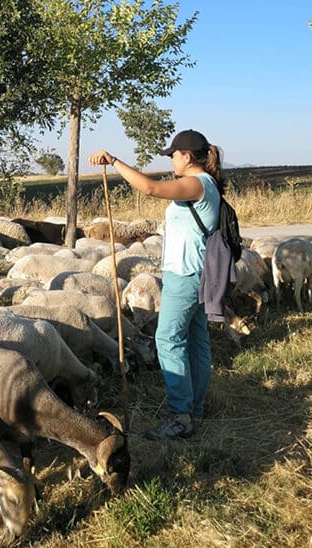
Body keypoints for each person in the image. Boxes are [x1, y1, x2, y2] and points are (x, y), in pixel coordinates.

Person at [89, 129, 223, 440]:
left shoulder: (197, 183)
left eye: (173, 155)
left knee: (167, 340)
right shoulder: (206, 184)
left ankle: (180, 416)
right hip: (198, 272)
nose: (171, 160)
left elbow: (150, 188)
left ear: (186, 156)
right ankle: (195, 408)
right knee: (196, 340)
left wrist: (114, 161)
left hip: (185, 274)